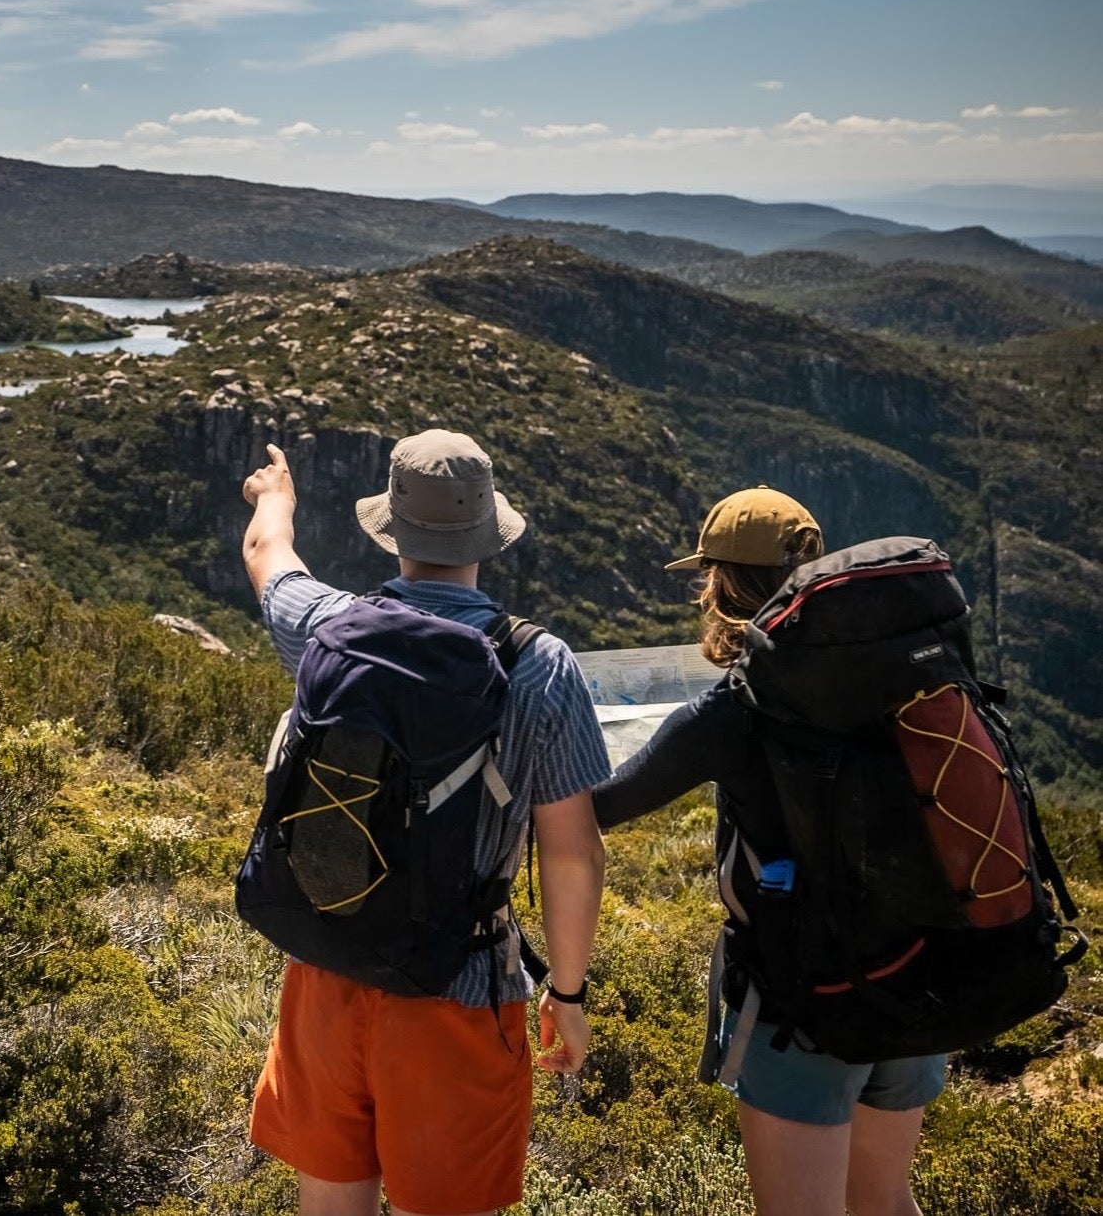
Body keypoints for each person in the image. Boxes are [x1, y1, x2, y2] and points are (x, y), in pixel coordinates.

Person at [240, 431, 610, 1216]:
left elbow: (267, 556)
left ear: (393, 527)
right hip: (459, 989)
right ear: (487, 532)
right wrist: (568, 995)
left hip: (327, 969)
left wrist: (276, 495)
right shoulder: (538, 666)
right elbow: (575, 856)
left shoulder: (327, 625)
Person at [591, 487, 947, 1216]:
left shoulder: (734, 707)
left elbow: (606, 805)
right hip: (921, 980)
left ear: (718, 585)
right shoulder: (900, 671)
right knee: (884, 1201)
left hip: (804, 1003)